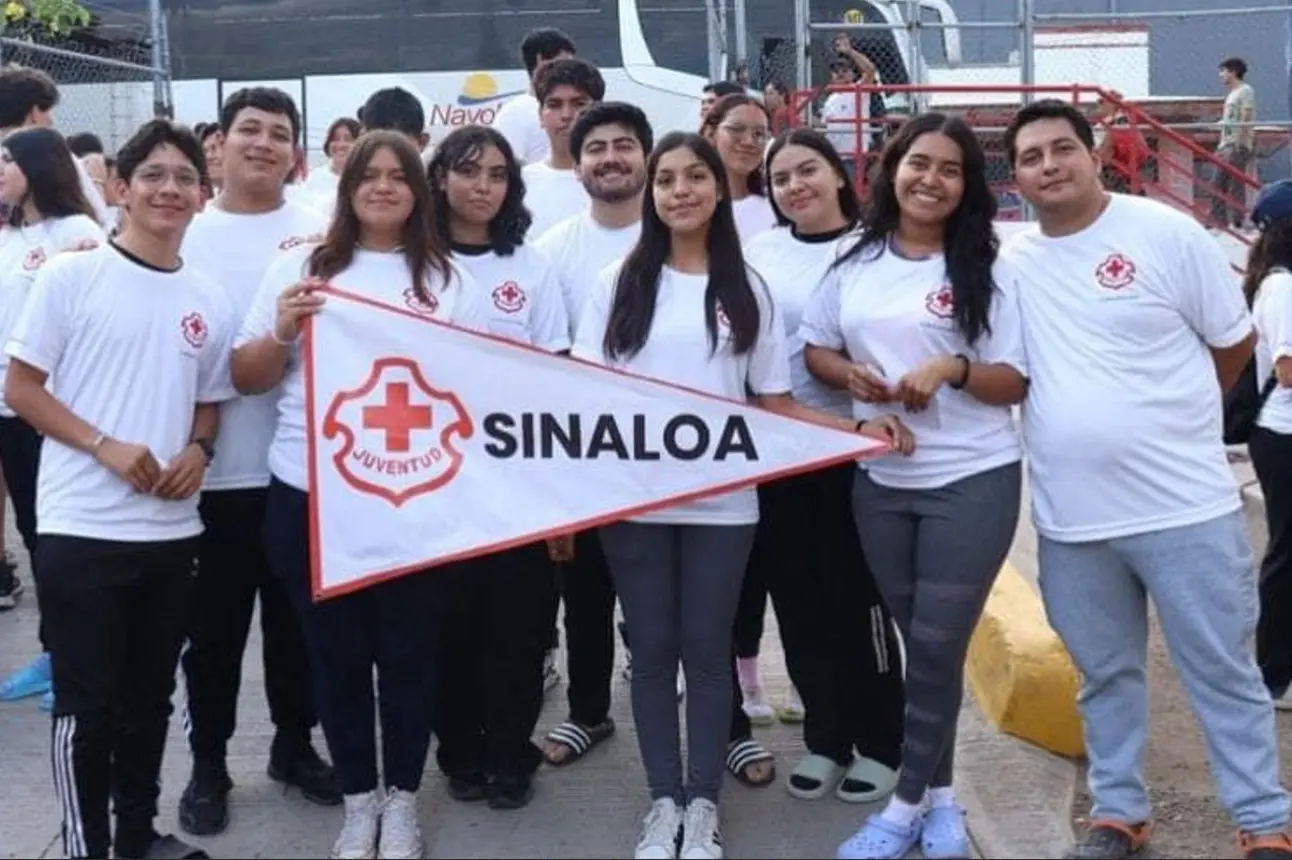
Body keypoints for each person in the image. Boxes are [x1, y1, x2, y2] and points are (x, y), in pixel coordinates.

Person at [572, 130, 910, 860]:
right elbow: (582, 398)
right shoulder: (617, 284)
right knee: (655, 651)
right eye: (667, 180)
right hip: (635, 506)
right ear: (652, 194)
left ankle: (704, 805)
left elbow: (776, 405)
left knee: (706, 649)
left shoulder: (745, 287)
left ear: (719, 191)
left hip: (724, 506)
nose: (682, 190)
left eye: (696, 177)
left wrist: (855, 429)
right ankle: (665, 802)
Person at [1001, 98, 1292, 860]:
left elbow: (1232, 346)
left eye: (1062, 148)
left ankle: (1264, 823)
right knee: (1105, 676)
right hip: (1073, 521)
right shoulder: (1014, 263)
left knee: (1223, 670)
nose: (1049, 165)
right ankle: (1118, 813)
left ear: (1096, 155)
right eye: (1031, 158)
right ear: (1018, 179)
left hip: (1184, 507)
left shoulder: (1165, 232)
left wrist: (1171, 420)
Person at [231, 129, 470, 860]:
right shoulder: (301, 266)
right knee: (333, 657)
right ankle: (358, 801)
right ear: (348, 185)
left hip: (414, 500)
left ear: (417, 191)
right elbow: (247, 376)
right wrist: (280, 329)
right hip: (313, 497)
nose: (385, 187)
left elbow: (473, 387)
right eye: (371, 175)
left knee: (408, 655)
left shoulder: (445, 278)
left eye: (401, 176)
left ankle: (401, 799)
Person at [5, 118, 235, 860]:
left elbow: (209, 396)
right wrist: (103, 445)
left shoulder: (208, 297)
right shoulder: (71, 276)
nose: (170, 189)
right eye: (154, 175)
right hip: (82, 531)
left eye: (185, 178)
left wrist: (200, 448)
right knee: (87, 707)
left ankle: (138, 836)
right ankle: (84, 845)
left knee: (149, 702)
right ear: (119, 189)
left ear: (203, 195)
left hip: (171, 534)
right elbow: (22, 387)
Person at [803, 112, 1027, 860]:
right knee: (918, 646)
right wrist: (854, 377)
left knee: (936, 645)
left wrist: (952, 368)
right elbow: (818, 349)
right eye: (918, 163)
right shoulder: (853, 261)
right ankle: (944, 801)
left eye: (950, 169)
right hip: (880, 480)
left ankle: (903, 806)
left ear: (967, 187)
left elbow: (1012, 380)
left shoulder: (987, 269)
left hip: (971, 478)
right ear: (892, 170)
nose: (931, 179)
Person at [176, 86, 337, 838]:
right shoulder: (182, 229)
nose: (264, 143)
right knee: (211, 636)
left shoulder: (323, 229)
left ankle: (293, 745)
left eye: (279, 132)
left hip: (302, 470)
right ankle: (209, 763)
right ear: (220, 143)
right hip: (209, 474)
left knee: (296, 628)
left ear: (295, 151)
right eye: (250, 130)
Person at [745, 127, 904, 804]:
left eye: (807, 170)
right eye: (780, 179)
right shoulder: (758, 251)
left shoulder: (874, 250)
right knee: (798, 603)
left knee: (856, 599)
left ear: (839, 175)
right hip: (776, 451)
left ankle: (882, 743)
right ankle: (827, 740)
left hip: (850, 448)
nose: (795, 186)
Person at [426, 125, 568, 810]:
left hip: (514, 484)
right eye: (468, 170)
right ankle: (458, 752)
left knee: (518, 627)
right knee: (447, 627)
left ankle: (512, 751)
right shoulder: (407, 264)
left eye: (498, 174)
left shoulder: (530, 266)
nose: (482, 185)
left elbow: (556, 378)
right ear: (441, 177)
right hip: (430, 483)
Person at [534, 102, 653, 769]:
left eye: (625, 145)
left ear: (646, 157)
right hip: (583, 452)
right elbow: (550, 362)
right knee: (584, 595)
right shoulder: (554, 251)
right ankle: (587, 712)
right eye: (597, 148)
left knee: (668, 592)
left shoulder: (680, 238)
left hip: (667, 453)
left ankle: (698, 709)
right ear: (578, 165)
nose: (610, 157)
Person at [0, 127, 105, 711]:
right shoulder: (11, 236)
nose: (0, 168)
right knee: (37, 540)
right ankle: (52, 653)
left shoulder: (79, 233)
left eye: (9, 159)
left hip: (50, 412)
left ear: (40, 167)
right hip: (8, 412)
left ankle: (76, 659)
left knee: (59, 543)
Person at [1243, 180, 1292, 713]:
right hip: (1284, 436)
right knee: (1287, 554)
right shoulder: (1283, 288)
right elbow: (1288, 371)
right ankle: (1272, 675)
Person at [0, 66, 110, 225]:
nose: (51, 121)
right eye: (48, 111)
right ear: (35, 112)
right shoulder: (51, 156)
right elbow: (99, 218)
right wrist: (98, 182)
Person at [523, 58, 604, 239]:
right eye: (555, 105)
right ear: (540, 115)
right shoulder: (520, 184)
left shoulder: (619, 180)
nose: (567, 115)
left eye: (578, 104)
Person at [493, 27, 577, 164]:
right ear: (541, 60)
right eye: (565, 63)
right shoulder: (514, 114)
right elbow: (505, 164)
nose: (571, 70)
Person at [700, 94, 777, 241]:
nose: (749, 141)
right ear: (711, 134)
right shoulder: (689, 204)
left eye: (759, 134)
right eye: (736, 129)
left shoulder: (778, 208)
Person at [1212, 56, 1256, 230]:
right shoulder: (1231, 95)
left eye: (1223, 71)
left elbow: (1245, 115)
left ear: (1233, 72)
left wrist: (1238, 140)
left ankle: (1236, 221)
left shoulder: (1245, 91)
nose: (1221, 75)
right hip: (1225, 144)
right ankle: (1219, 221)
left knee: (1234, 184)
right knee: (1218, 183)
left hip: (1236, 144)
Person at [302, 116, 359, 212]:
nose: (341, 145)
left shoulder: (364, 179)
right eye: (335, 139)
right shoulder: (315, 177)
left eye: (348, 139)